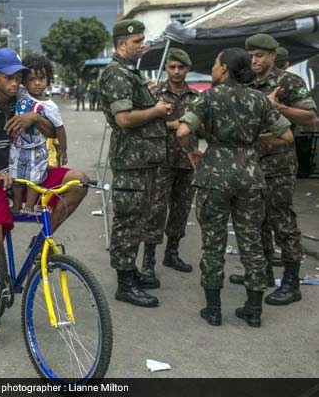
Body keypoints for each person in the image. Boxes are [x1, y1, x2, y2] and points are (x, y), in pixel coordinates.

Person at [0, 48, 88, 330]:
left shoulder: (26, 98)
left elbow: (52, 132)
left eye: (18, 77)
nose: (15, 82)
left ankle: (42, 240)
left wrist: (34, 118)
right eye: (8, 77)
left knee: (79, 182)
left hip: (32, 171)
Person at [177, 47, 293, 327]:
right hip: (250, 176)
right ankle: (254, 310)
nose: (213, 68)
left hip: (214, 176)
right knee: (251, 240)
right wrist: (254, 141)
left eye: (216, 63)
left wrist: (193, 152)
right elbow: (287, 135)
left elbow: (183, 131)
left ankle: (214, 310)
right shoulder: (259, 100)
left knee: (213, 242)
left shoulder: (208, 97)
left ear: (225, 68)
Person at [227, 34, 316, 306]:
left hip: (278, 164)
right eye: (251, 55)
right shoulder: (246, 81)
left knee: (282, 222)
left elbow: (310, 117)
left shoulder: (289, 82)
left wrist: (279, 107)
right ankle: (262, 272)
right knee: (256, 220)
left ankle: (291, 282)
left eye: (260, 55)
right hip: (251, 164)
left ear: (273, 56)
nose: (254, 60)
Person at [99, 19, 171, 308]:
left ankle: (131, 272)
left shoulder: (130, 73)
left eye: (143, 39)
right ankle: (125, 283)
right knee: (128, 220)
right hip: (131, 160)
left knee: (139, 217)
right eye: (137, 41)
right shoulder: (116, 74)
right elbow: (124, 119)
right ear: (121, 44)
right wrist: (155, 110)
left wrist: (149, 100)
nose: (143, 44)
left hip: (141, 159)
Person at [141, 48, 199, 285]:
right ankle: (148, 260)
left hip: (186, 160)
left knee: (181, 209)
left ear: (188, 70)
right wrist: (175, 125)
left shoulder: (195, 97)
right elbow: (145, 122)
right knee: (156, 210)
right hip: (160, 161)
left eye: (181, 67)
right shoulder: (153, 94)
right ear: (166, 68)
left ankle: (172, 253)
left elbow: (202, 125)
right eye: (172, 67)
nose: (176, 72)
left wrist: (180, 124)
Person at [9, 54, 67, 213]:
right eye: (31, 79)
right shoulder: (21, 93)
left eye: (41, 78)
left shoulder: (50, 106)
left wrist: (63, 149)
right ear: (24, 81)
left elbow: (59, 128)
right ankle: (16, 205)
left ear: (48, 78)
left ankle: (29, 207)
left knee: (34, 179)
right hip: (17, 147)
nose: (37, 83)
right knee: (17, 178)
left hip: (37, 150)